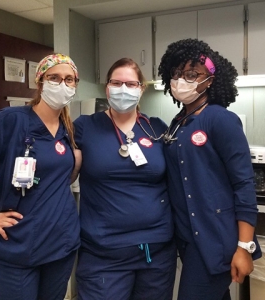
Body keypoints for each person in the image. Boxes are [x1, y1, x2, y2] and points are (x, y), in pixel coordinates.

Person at [0, 53, 81, 300]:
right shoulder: (11, 121)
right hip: (18, 245)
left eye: (69, 79)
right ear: (40, 82)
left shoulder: (67, 130)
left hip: (61, 245)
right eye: (54, 78)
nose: (62, 84)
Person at [158, 38, 262, 300]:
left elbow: (243, 184)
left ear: (210, 80)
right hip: (188, 238)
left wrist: (244, 247)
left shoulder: (221, 119)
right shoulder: (179, 121)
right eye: (177, 73)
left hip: (216, 240)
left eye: (192, 74)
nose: (182, 80)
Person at [73, 57, 177, 300]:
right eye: (116, 82)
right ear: (106, 87)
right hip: (103, 254)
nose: (123, 89)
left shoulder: (156, 128)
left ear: (142, 89)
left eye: (131, 84)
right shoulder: (85, 127)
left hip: (157, 251)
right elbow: (55, 166)